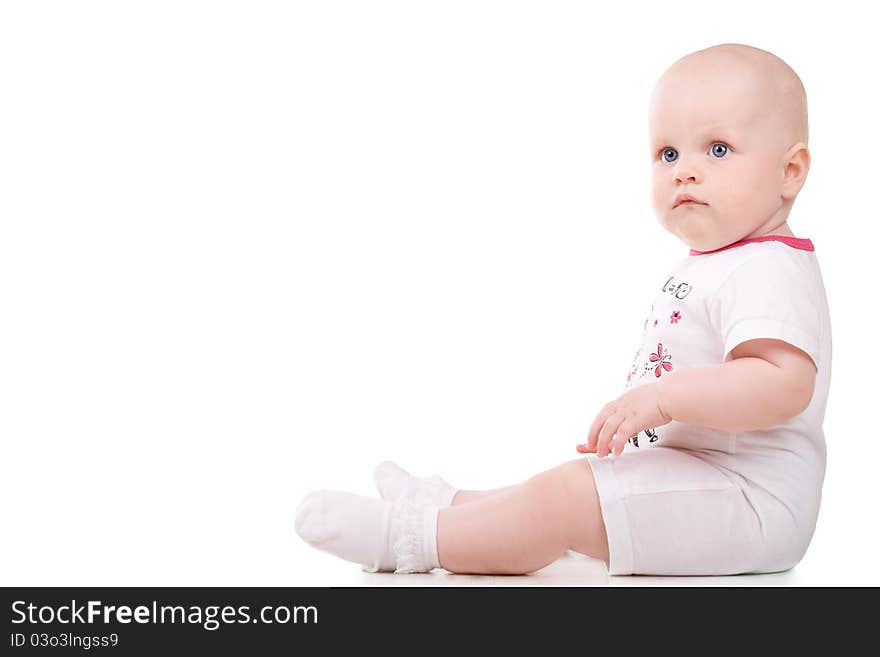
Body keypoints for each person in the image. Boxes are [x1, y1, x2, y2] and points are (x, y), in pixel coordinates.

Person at [293, 42, 831, 576]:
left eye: (717, 149)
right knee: (572, 485)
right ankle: (447, 505)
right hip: (708, 481)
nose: (683, 172)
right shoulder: (723, 261)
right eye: (668, 154)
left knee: (572, 496)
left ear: (790, 171)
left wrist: (665, 398)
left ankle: (409, 540)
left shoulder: (769, 269)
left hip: (752, 503)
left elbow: (784, 384)